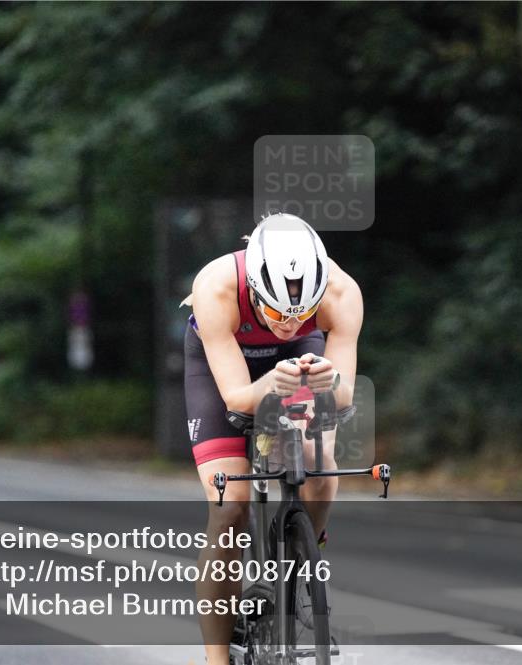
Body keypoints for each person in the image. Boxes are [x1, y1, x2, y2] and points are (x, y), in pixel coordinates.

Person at [182, 213, 362, 664]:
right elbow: (240, 399)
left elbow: (342, 396)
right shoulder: (216, 287)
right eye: (277, 311)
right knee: (230, 509)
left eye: (301, 312)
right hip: (225, 368)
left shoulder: (342, 294)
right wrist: (268, 387)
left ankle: (304, 556)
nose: (287, 321)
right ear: (256, 291)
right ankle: (216, 658)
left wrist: (327, 379)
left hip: (300, 358)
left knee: (319, 462)